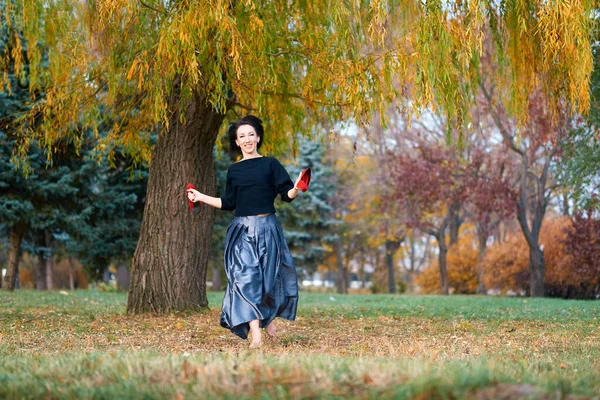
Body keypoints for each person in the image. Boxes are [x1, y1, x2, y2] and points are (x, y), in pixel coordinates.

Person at [186, 115, 305, 348]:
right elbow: (229, 202)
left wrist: (297, 187)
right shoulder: (234, 170)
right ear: (237, 142)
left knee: (268, 281)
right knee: (245, 279)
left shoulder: (271, 164)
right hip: (242, 231)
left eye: (251, 134)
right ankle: (256, 335)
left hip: (268, 229)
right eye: (242, 136)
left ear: (258, 137)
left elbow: (286, 195)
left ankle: (267, 319)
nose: (247, 139)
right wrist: (200, 197)